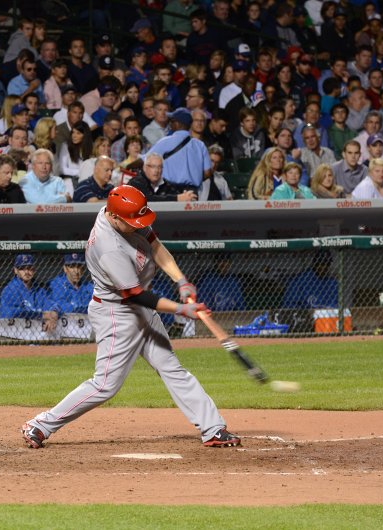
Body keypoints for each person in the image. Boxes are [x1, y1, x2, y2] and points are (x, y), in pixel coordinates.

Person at [21, 185, 240, 450]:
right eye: (132, 222)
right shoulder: (107, 246)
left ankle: (212, 428)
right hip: (117, 313)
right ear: (114, 217)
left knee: (171, 367)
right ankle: (40, 424)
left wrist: (181, 280)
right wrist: (181, 310)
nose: (139, 225)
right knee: (105, 385)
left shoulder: (125, 214)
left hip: (139, 307)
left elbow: (155, 246)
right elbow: (135, 295)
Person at [0, 254, 59, 331]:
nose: (26, 272)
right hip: (12, 333)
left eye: (29, 268)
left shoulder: (40, 290)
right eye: (22, 268)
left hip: (35, 333)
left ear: (34, 269)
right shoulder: (10, 290)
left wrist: (53, 314)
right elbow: (9, 314)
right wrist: (42, 315)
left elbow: (53, 305)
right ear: (15, 270)